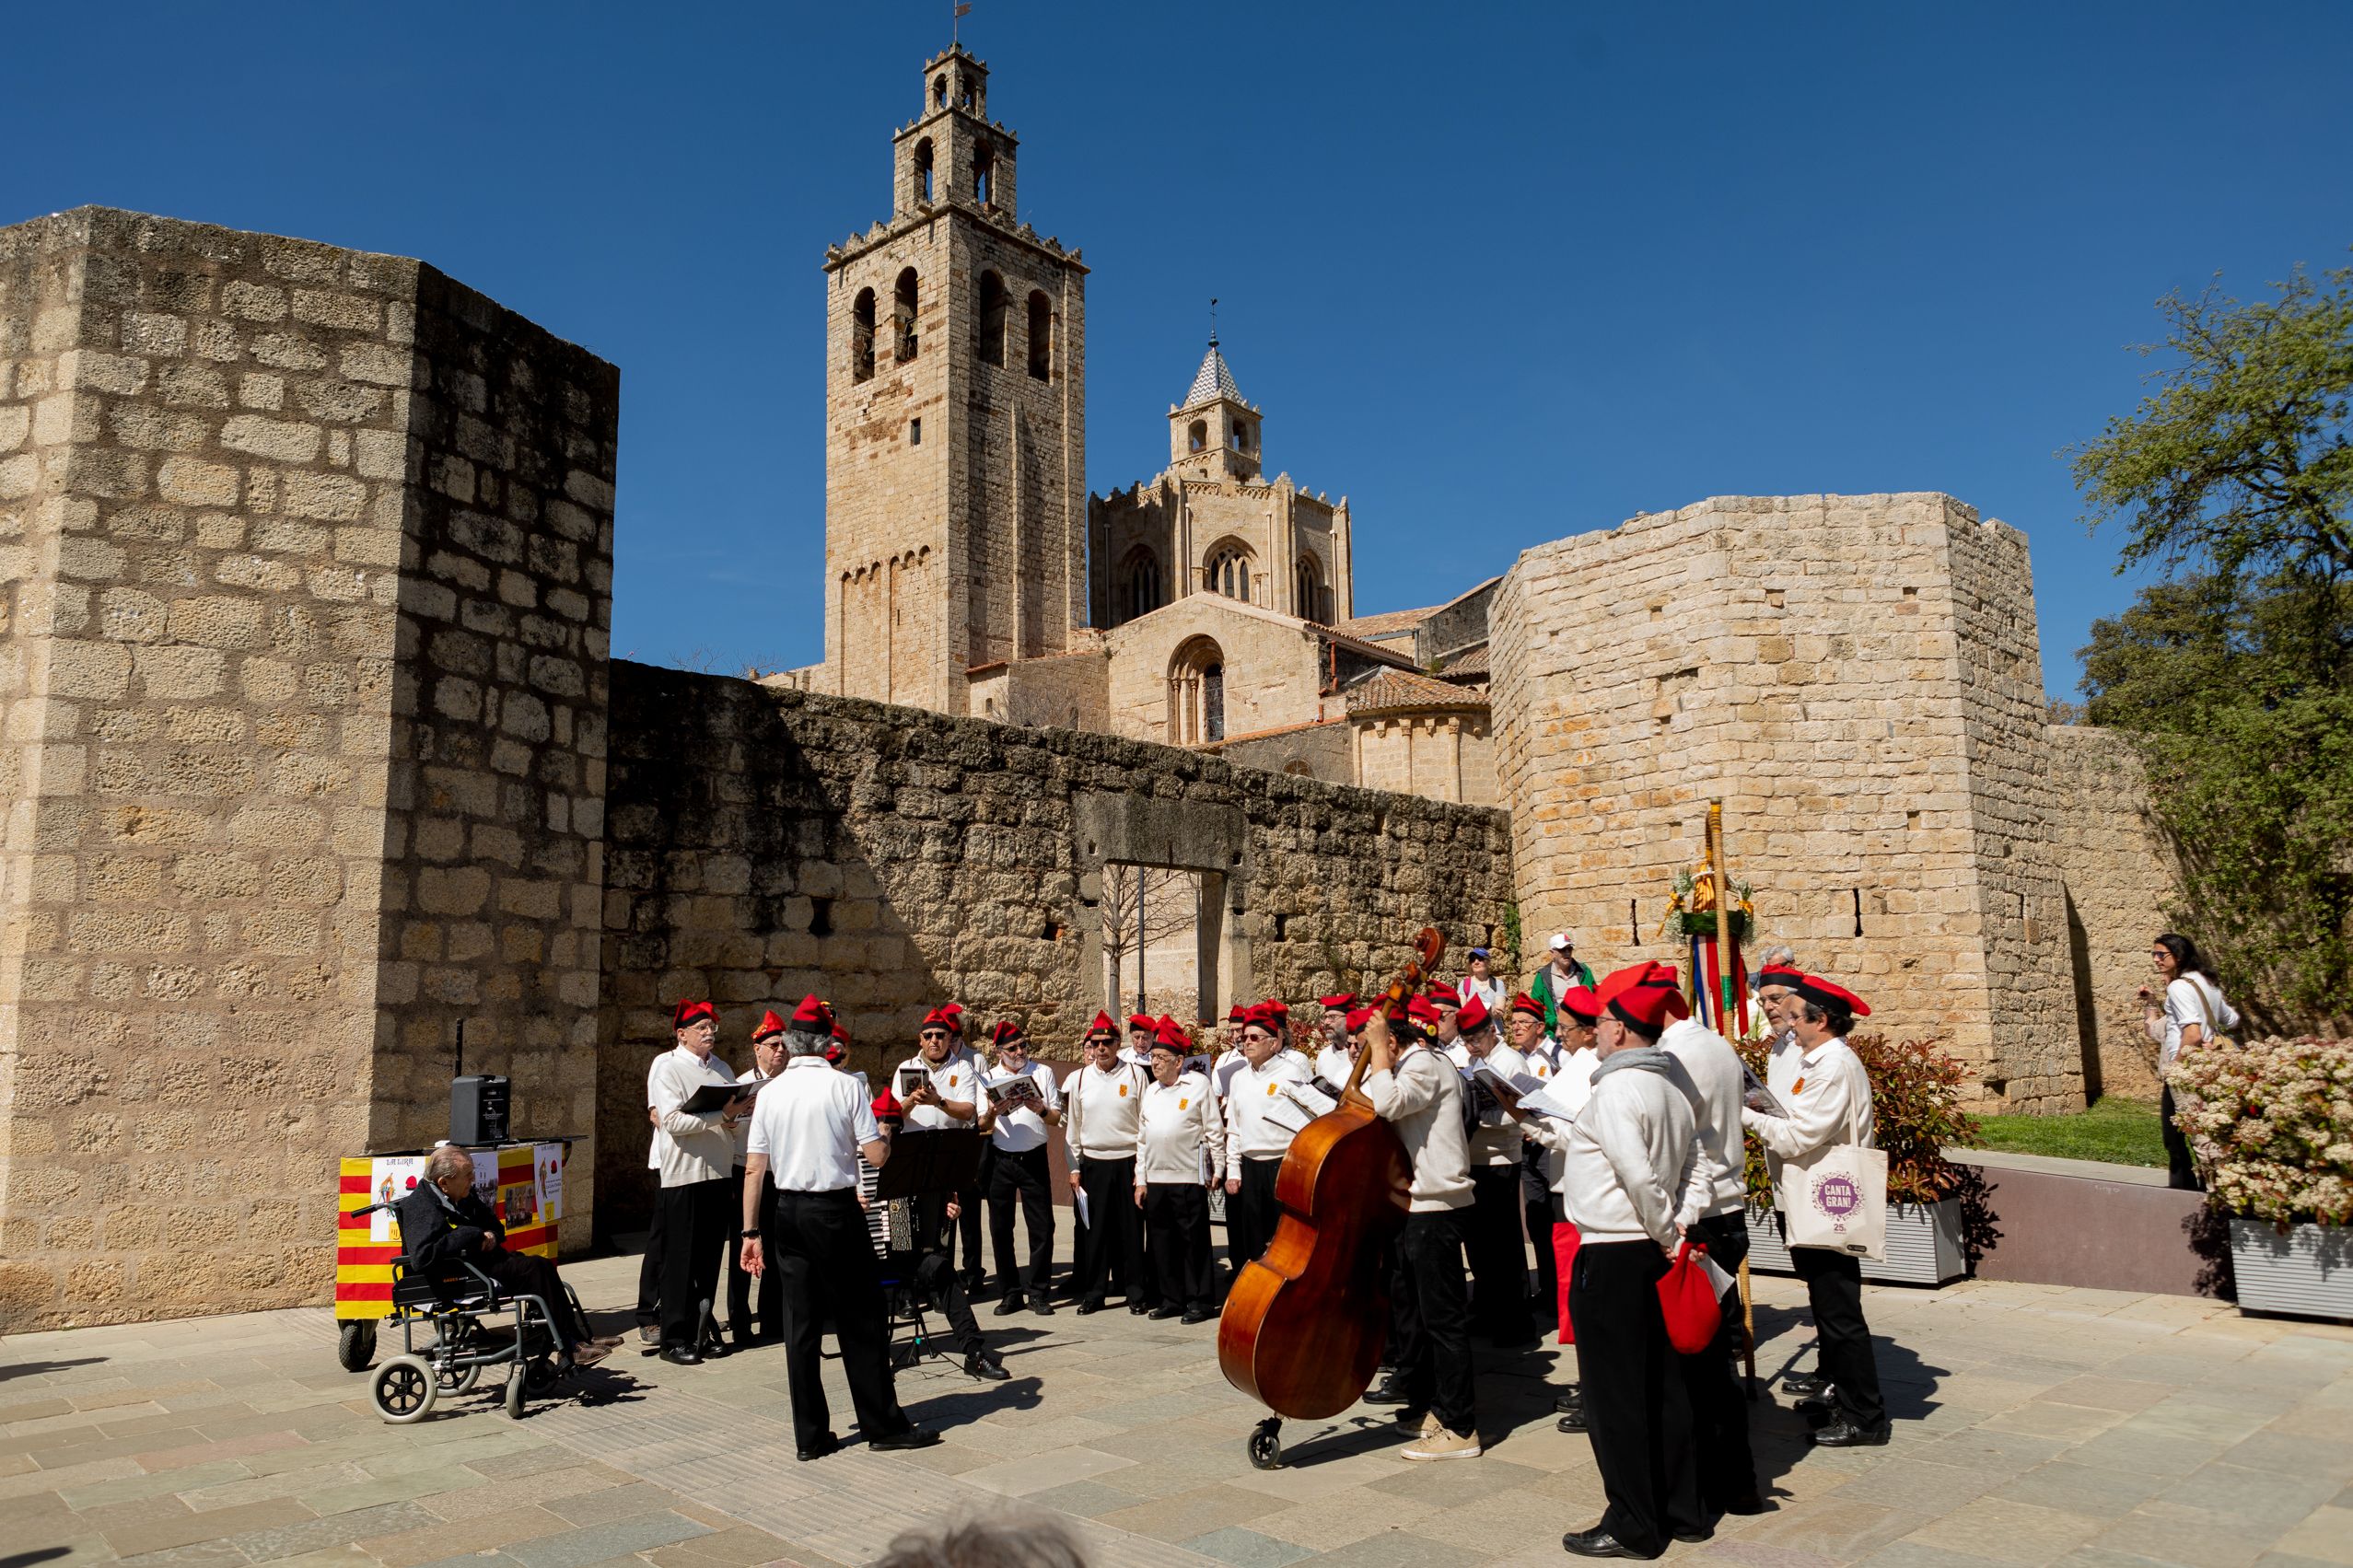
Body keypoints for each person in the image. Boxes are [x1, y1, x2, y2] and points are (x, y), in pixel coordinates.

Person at [1555, 961, 1707, 1561]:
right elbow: (1698, 1160)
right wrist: (1679, 1222)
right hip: (1649, 1246)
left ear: (1619, 1029)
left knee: (1615, 1397)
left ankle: (1633, 1522)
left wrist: (1665, 1227)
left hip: (1615, 1251)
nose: (1592, 1030)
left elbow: (1635, 1173)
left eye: (1598, 1022)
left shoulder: (1617, 1088)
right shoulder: (1670, 1087)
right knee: (1662, 1387)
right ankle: (1682, 1508)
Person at [739, 1010, 940, 1460]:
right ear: (827, 1043)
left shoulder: (770, 1093)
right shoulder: (847, 1085)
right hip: (833, 1210)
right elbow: (877, 1156)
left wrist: (750, 1231)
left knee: (801, 1325)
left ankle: (809, 1437)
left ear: (790, 1043)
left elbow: (755, 1167)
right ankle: (882, 1424)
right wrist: (886, 1130)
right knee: (860, 1319)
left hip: (786, 1211)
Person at [1743, 972, 1888, 1447]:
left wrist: (1741, 1111)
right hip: (1808, 1196)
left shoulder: (1831, 1066)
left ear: (1821, 1021)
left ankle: (1864, 1416)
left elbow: (1798, 1136)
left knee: (1839, 1311)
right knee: (1827, 1307)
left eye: (1797, 1015)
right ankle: (1840, 1396)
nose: (1789, 1020)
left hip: (1828, 1201)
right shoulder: (1816, 1059)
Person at [1659, 978, 1765, 1518]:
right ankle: (1735, 1478)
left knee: (1700, 1359)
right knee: (1712, 1354)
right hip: (1725, 1207)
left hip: (1703, 1216)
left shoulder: (1678, 1054)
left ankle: (1723, 1478)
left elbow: (1677, 1138)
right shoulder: (1713, 1043)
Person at [1359, 997, 1483, 1460]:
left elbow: (1387, 1103)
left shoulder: (1424, 1065)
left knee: (1444, 1322)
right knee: (1428, 1320)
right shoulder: (1416, 1064)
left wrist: (1376, 1052)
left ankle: (1460, 1425)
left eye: (1374, 1049)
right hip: (1422, 1206)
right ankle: (1436, 1407)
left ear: (1393, 1042)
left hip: (1439, 1207)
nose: (1370, 1059)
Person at [396, 1145, 617, 1367]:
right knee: (535, 1269)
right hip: (455, 1275)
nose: (473, 1180)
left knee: (541, 1266)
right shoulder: (420, 1206)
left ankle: (577, 1340)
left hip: (479, 1264)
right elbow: (422, 1256)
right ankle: (570, 1346)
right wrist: (470, 1235)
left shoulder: (463, 1195)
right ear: (443, 1182)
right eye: (468, 1175)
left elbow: (494, 1225)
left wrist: (490, 1235)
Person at [861, 1088, 1011, 1382]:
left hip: (903, 1252)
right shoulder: (851, 1162)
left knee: (943, 1270)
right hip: (862, 1257)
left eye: (893, 1127)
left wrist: (946, 1207)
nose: (887, 1132)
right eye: (882, 1126)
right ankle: (874, 1359)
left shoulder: (908, 1160)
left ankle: (974, 1352)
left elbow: (930, 1201)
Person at [648, 999, 752, 1365]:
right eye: (703, 1028)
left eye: (713, 1028)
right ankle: (673, 1337)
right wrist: (718, 1115)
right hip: (684, 1174)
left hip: (719, 1171)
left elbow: (726, 1119)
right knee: (681, 1260)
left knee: (709, 1258)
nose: (710, 1033)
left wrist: (736, 1115)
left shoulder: (722, 1069)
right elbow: (672, 1122)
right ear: (682, 1034)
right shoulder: (669, 1068)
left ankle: (702, 1329)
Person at [1454, 995, 1537, 1346]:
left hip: (1502, 1160)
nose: (1471, 1047)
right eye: (1466, 1041)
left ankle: (1515, 1322)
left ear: (1492, 1031)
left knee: (1504, 1246)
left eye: (1475, 1039)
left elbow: (1519, 1113)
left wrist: (1478, 1118)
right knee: (1479, 1245)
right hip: (1473, 1160)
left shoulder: (1511, 1061)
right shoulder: (1471, 1060)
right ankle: (1487, 1311)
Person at [1135, 1024, 1224, 1321]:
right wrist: (1141, 1179)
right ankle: (1170, 1298)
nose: (1155, 1062)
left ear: (1178, 1061)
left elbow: (1214, 1129)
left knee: (1192, 1241)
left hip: (1188, 1175)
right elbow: (1142, 1138)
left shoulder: (1198, 1084)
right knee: (1161, 1242)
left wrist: (1219, 1167)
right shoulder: (1151, 1091)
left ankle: (1199, 1300)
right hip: (1157, 1177)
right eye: (1153, 1057)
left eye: (1161, 1057)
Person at [894, 1008, 986, 1291]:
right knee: (906, 1226)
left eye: (940, 1035)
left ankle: (939, 1289)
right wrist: (911, 1101)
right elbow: (893, 1114)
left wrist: (938, 1101)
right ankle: (908, 1291)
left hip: (946, 1156)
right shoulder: (905, 1067)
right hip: (913, 1154)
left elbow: (970, 1112)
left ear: (949, 1039)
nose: (935, 1040)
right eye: (929, 1036)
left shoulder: (963, 1069)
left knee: (943, 1229)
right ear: (920, 1040)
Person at [2140, 933, 2238, 1191]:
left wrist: (2177, 1064)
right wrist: (2153, 1002)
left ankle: (2213, 1194)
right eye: (2154, 953)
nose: (2156, 959)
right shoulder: (2207, 984)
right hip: (2207, 1068)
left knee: (2199, 1138)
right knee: (2182, 1134)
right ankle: (2192, 1190)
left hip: (2184, 1071)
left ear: (2179, 956)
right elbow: (2231, 1020)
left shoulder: (2180, 987)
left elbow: (2192, 1034)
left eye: (2162, 954)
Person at [1064, 1013, 1147, 1313]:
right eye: (1096, 1042)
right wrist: (1074, 1167)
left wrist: (1142, 1169)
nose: (1101, 1048)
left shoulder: (1136, 1075)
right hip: (1094, 1163)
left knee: (1131, 1231)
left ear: (1117, 1043)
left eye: (1107, 1042)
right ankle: (1094, 1292)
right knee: (1095, 1233)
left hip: (1128, 1161)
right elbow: (1073, 1126)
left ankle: (1136, 1293)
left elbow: (1145, 1125)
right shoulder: (1080, 1079)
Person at [978, 1020, 1063, 1315]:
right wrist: (992, 1112)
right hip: (1001, 1160)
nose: (1020, 1051)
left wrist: (1038, 1107)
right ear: (999, 1051)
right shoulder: (989, 1078)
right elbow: (982, 1126)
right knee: (1001, 1229)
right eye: (1012, 1048)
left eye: (1023, 1045)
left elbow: (1055, 1120)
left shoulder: (1042, 1072)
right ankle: (1010, 1293)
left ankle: (1038, 1292)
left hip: (1033, 1157)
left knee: (1042, 1227)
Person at [1222, 1005, 1308, 1276]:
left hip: (1281, 1164)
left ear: (1274, 1042)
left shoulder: (1291, 1073)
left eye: (1254, 1037)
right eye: (1244, 1037)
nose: (1246, 1042)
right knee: (1254, 1240)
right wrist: (1233, 1170)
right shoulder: (1238, 1078)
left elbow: (1306, 1123)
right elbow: (1234, 1128)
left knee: (1283, 1238)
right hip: (1250, 1165)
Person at [724, 1008, 791, 1349]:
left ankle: (772, 1317)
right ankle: (739, 1319)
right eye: (773, 1044)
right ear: (758, 1049)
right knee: (745, 1243)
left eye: (783, 1044)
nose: (780, 1050)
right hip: (745, 1171)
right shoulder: (740, 1084)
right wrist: (736, 1117)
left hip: (780, 1173)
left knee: (778, 1245)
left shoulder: (792, 1082)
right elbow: (726, 1128)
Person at [1531, 932, 1598, 1039]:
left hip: (1585, 1033)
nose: (1567, 953)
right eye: (1562, 950)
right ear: (1552, 953)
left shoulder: (1584, 971)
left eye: (1569, 949)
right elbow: (1536, 1006)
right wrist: (1557, 1022)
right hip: (1558, 1034)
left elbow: (1596, 996)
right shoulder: (1543, 976)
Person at [1459, 948, 1506, 1014]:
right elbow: (1463, 1011)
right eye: (1472, 960)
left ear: (1488, 962)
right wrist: (1488, 1008)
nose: (1476, 962)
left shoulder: (1498, 984)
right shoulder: (1465, 984)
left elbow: (1500, 1011)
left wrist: (1477, 1006)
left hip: (1493, 1023)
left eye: (1480, 959)